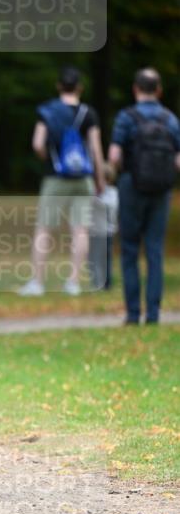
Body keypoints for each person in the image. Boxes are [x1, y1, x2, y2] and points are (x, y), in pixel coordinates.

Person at [18, 67, 105, 296]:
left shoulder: (48, 111)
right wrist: (100, 179)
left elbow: (37, 143)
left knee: (44, 229)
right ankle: (73, 283)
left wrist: (49, 159)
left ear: (58, 86)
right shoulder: (88, 113)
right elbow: (95, 149)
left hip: (55, 177)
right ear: (80, 88)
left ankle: (37, 283)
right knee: (80, 230)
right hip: (83, 178)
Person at [107, 67, 180, 324]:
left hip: (131, 187)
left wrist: (116, 174)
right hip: (161, 191)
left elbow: (114, 156)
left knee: (129, 250)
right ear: (159, 90)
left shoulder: (126, 118)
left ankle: (132, 313)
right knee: (155, 250)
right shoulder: (171, 120)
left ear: (135, 89)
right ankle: (153, 314)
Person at [87, 162, 119, 291]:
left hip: (106, 231)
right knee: (94, 257)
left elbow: (111, 207)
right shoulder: (94, 192)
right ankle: (97, 281)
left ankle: (105, 283)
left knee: (104, 258)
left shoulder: (111, 193)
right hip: (95, 231)